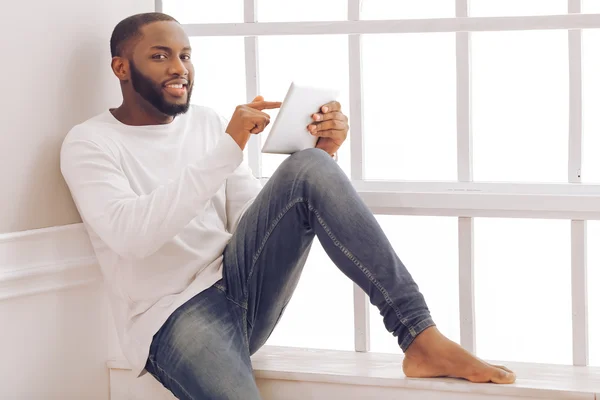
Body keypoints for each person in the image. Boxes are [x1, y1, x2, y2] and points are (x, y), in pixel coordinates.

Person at [60, 12, 516, 400]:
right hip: (171, 317)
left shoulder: (207, 123)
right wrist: (227, 148)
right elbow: (132, 238)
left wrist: (323, 154)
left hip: (241, 284)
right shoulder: (89, 143)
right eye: (160, 56)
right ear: (121, 67)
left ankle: (419, 336)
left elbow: (248, 219)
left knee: (310, 166)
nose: (179, 67)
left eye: (185, 55)